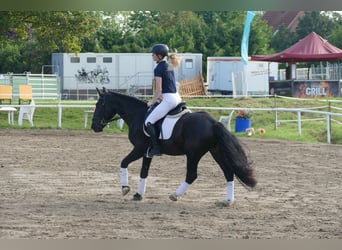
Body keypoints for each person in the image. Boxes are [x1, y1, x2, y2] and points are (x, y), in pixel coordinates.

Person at [144, 44, 182, 158]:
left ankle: (156, 148)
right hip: (176, 97)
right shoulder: (168, 65)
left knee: (149, 122)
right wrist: (159, 98)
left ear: (159, 56)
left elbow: (159, 89)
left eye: (153, 54)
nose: (152, 55)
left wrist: (151, 102)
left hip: (169, 100)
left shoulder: (159, 68)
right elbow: (168, 86)